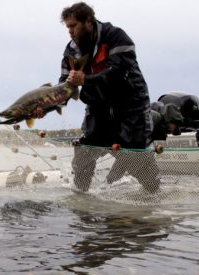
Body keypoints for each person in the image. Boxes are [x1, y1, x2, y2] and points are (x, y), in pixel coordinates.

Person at [58, 2, 158, 192]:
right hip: (97, 108)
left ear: (88, 20)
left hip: (131, 108)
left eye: (73, 26)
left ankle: (153, 196)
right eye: (67, 27)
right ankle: (81, 200)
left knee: (138, 162)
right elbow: (66, 83)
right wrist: (46, 106)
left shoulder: (116, 37)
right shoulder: (71, 50)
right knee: (83, 157)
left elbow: (118, 72)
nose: (69, 31)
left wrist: (85, 79)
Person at [106, 102, 184, 190]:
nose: (175, 128)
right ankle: (151, 192)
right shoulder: (153, 117)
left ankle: (106, 187)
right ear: (171, 120)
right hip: (118, 142)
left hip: (127, 147)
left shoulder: (161, 124)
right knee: (148, 178)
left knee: (125, 162)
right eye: (176, 125)